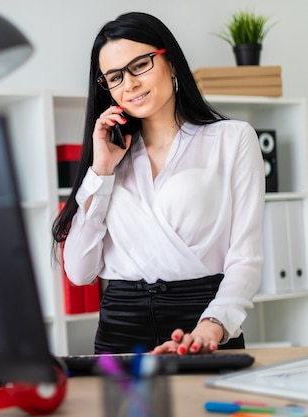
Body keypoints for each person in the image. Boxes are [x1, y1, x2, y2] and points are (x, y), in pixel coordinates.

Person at [51, 12, 264, 355]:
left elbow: (246, 256)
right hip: (119, 329)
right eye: (115, 77)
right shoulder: (110, 157)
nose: (129, 84)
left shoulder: (232, 138)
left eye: (139, 65)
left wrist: (214, 324)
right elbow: (78, 271)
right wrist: (101, 169)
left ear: (172, 63)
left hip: (202, 325)